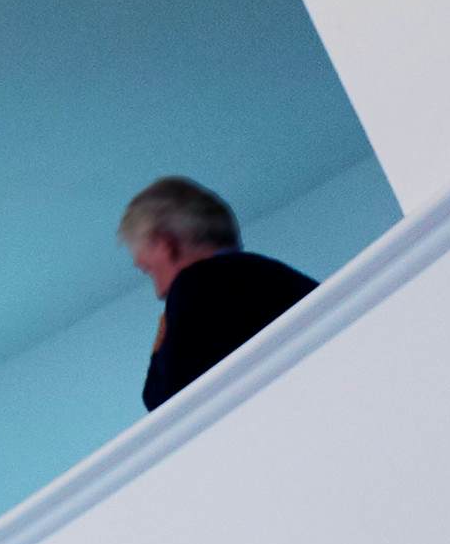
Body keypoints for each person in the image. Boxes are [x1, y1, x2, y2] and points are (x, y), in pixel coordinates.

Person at [123, 175, 316, 410]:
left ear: (166, 245)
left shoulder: (193, 285)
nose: (159, 293)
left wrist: (158, 353)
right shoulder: (274, 275)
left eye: (149, 270)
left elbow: (170, 407)